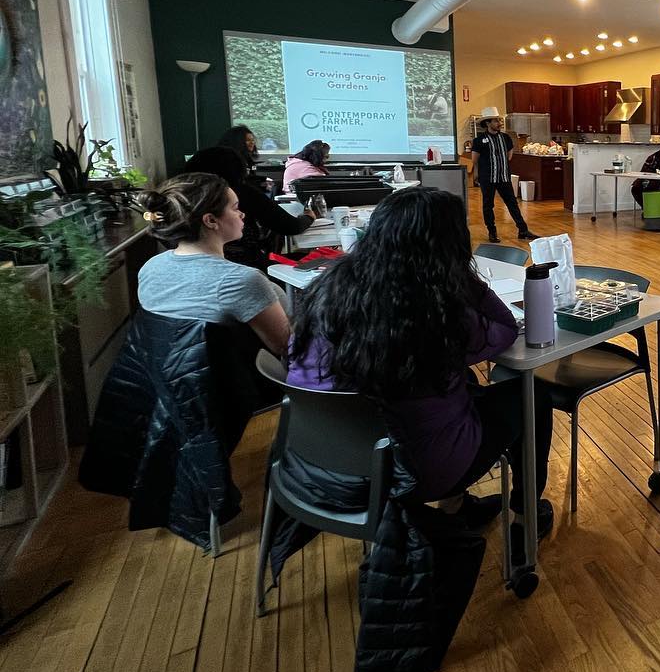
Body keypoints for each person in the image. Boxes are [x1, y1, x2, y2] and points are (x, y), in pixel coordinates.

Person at [287, 186, 553, 552]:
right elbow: (504, 329)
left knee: (462, 387)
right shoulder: (433, 308)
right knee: (530, 396)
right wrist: (461, 275)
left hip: (319, 463)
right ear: (449, 246)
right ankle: (526, 516)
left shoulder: (327, 288)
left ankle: (455, 509)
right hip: (405, 472)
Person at [136, 172, 290, 355]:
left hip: (164, 377)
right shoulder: (241, 281)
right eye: (235, 208)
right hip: (232, 380)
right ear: (210, 220)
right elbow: (286, 348)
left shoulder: (151, 267)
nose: (242, 214)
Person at [184, 146, 315, 269]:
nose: (242, 215)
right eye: (236, 209)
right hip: (247, 264)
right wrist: (309, 217)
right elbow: (290, 226)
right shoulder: (238, 193)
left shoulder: (182, 198)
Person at [470, 107, 535, 244]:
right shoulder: (479, 140)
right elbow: (475, 159)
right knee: (488, 205)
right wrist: (476, 173)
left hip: (504, 177)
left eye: (499, 120)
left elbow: (509, 154)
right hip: (487, 177)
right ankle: (492, 232)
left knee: (512, 203)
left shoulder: (505, 137)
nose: (499, 123)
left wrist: (501, 162)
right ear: (487, 123)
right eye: (496, 121)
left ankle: (523, 230)